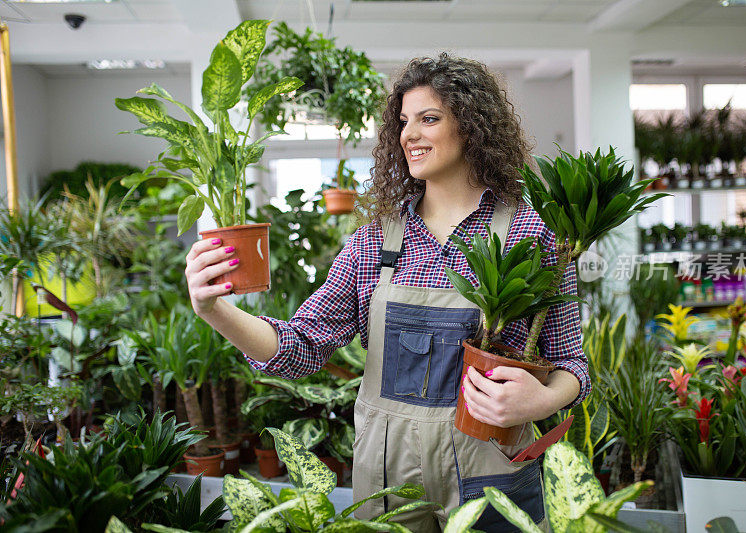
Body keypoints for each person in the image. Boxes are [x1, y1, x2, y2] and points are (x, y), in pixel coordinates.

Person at [185, 53, 589, 532]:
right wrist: (214, 310)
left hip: (493, 462)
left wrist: (540, 402)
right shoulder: (375, 240)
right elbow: (301, 348)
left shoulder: (532, 233)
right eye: (403, 122)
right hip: (387, 473)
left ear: (474, 125)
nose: (409, 134)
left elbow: (571, 364)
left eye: (429, 118)